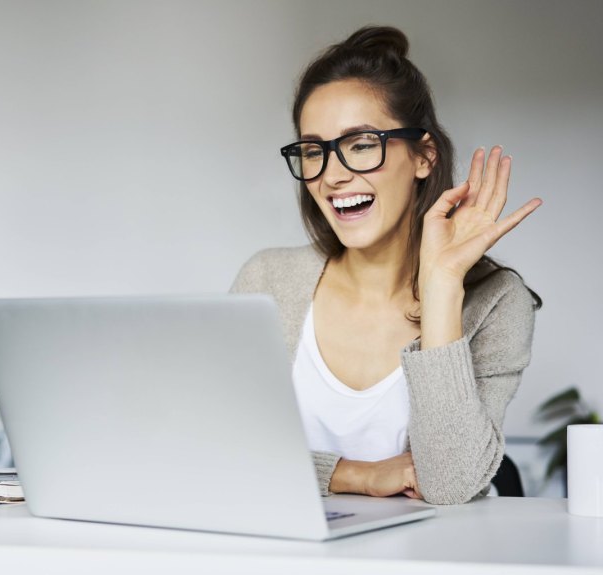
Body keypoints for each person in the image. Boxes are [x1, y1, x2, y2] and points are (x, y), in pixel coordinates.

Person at [231, 25, 542, 505]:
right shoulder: (267, 281)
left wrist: (441, 287)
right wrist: (354, 474)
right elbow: (227, 454)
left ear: (423, 155)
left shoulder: (498, 301)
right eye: (313, 151)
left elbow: (450, 482)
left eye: (360, 144)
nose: (333, 175)